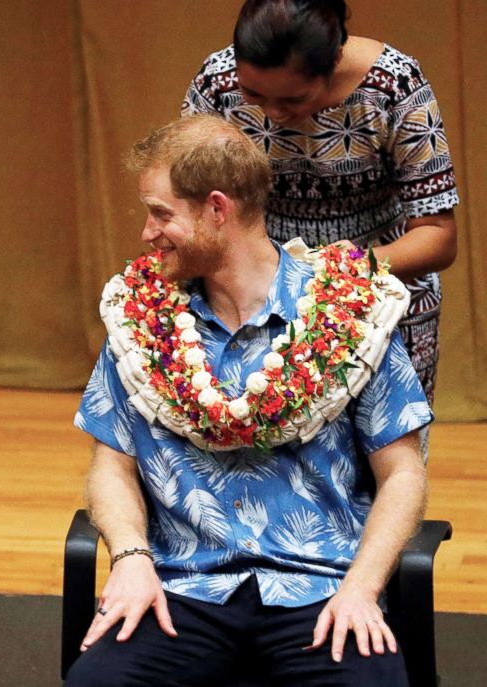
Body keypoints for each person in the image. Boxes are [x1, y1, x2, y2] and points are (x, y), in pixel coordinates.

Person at [64, 115, 430, 686]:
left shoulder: (351, 314)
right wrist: (132, 557)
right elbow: (112, 463)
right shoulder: (140, 324)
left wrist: (362, 588)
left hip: (321, 589)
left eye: (161, 213)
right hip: (181, 589)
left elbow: (403, 473)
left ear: (217, 209)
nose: (146, 232)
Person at [182, 0, 458, 405]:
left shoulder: (395, 85)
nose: (274, 113)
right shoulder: (217, 84)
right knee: (267, 459)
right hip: (255, 302)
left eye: (293, 99)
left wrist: (348, 266)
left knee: (388, 461)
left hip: (380, 298)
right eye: (254, 94)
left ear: (333, 63)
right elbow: (192, 205)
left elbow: (438, 236)